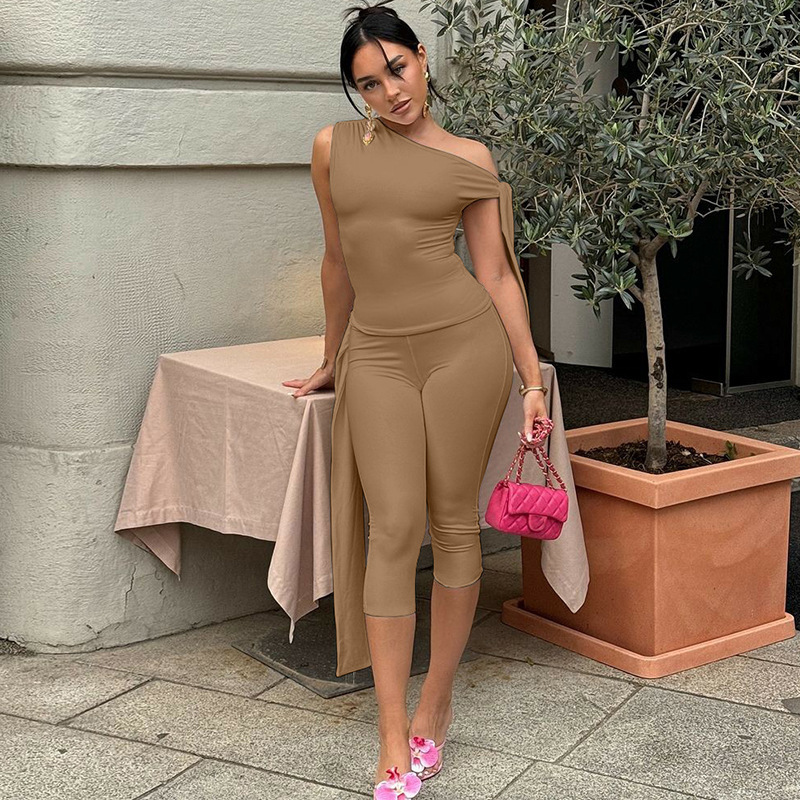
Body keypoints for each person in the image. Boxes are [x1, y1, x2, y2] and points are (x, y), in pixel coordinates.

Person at [282, 1, 547, 796]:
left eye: (397, 69)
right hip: (377, 354)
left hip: (465, 347)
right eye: (369, 83)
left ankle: (437, 704)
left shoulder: (469, 157)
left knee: (454, 523)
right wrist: (332, 355)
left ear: (422, 57)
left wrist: (532, 380)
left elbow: (496, 274)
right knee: (393, 526)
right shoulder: (333, 149)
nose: (390, 92)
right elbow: (337, 262)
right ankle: (393, 732)